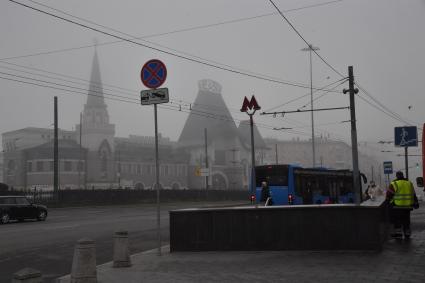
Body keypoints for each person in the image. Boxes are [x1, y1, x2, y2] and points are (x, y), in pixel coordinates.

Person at [386, 171, 419, 239]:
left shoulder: (394, 183)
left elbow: (389, 195)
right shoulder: (409, 183)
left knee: (397, 220)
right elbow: (413, 194)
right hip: (407, 206)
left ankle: (399, 234)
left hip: (397, 206)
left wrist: (387, 202)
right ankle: (407, 234)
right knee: (406, 220)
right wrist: (416, 203)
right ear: (403, 176)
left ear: (397, 176)